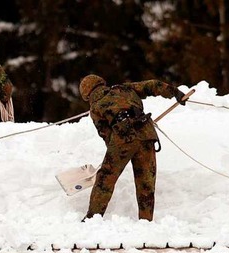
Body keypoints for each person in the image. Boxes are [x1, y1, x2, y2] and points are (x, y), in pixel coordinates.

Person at [79, 74, 187, 221]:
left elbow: (107, 134)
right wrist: (174, 92)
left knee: (106, 178)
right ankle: (146, 221)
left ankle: (92, 219)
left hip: (123, 138)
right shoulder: (124, 89)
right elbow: (151, 85)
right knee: (145, 182)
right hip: (146, 133)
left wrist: (114, 153)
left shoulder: (95, 108)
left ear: (87, 94)